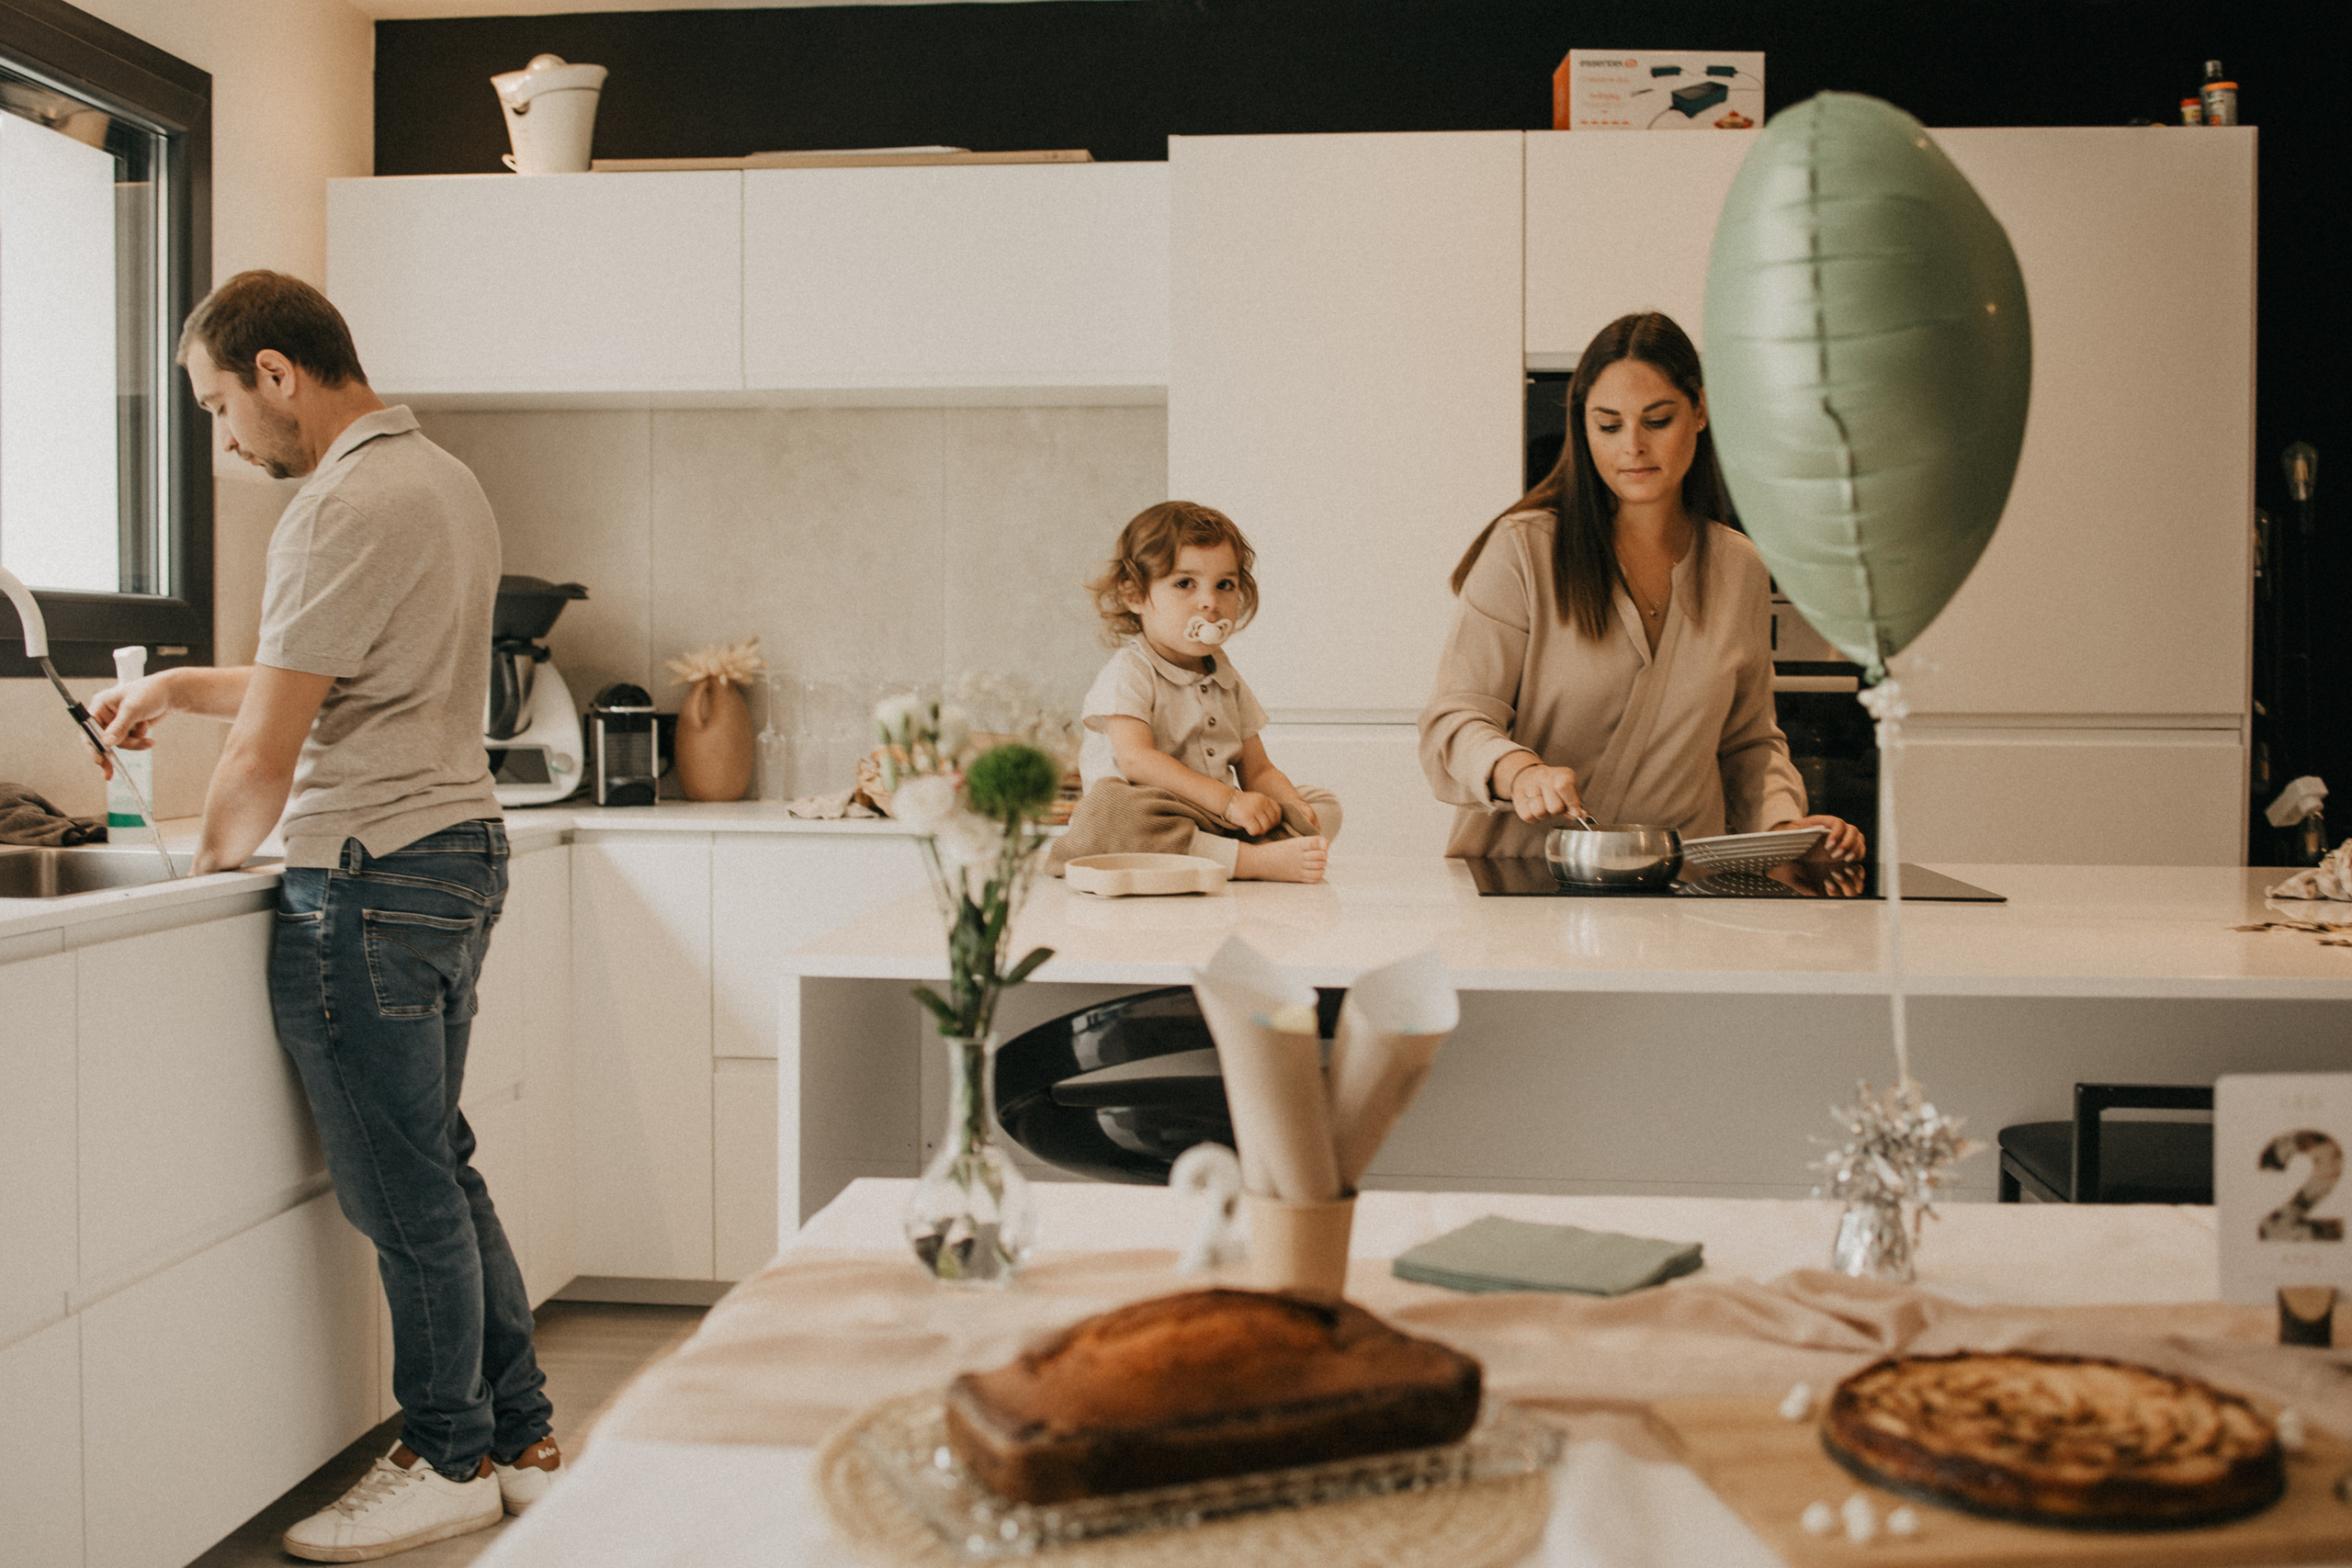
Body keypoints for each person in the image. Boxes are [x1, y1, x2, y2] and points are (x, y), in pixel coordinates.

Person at [86, 271, 560, 1561]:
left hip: (367, 871)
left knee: (405, 1188)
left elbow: (269, 751)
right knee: (441, 1168)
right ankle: (518, 1437)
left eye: (219, 405)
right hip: (452, 850)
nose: (226, 439)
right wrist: (187, 683)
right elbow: (357, 666)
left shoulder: (339, 503)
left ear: (279, 372)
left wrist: (190, 883)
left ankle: (447, 1452)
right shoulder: (437, 479)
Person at [1419, 310, 1864, 863]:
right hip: (1523, 885)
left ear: (1699, 412)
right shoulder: (1523, 550)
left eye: (1657, 421)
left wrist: (1785, 827)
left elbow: (1748, 743)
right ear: (1583, 427)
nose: (1632, 446)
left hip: (1680, 893)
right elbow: (1454, 723)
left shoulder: (1739, 566)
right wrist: (1517, 771)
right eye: (1608, 426)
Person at [1047, 501, 1340, 883]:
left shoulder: (1225, 676)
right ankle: (1252, 862)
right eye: (1185, 584)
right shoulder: (1131, 670)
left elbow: (1258, 769)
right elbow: (1136, 760)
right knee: (1113, 811)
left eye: (1225, 585)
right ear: (1134, 595)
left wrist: (1290, 803)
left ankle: (1231, 851)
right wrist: (1229, 801)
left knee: (1322, 803)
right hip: (1151, 813)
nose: (1209, 602)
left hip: (1215, 818)